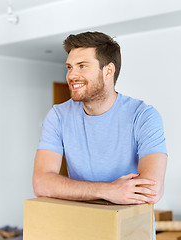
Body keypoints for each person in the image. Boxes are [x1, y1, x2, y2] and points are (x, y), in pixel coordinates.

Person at [33, 31, 167, 206]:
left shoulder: (143, 116)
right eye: (69, 67)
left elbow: (151, 192)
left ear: (108, 71)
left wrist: (72, 189)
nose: (71, 75)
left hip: (131, 230)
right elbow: (41, 183)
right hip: (82, 228)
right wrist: (108, 190)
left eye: (82, 66)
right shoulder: (58, 116)